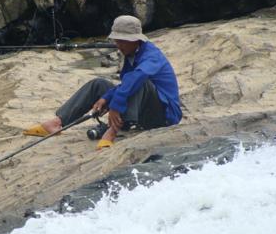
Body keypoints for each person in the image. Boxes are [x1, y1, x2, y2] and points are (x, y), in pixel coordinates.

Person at [23, 15, 182, 150]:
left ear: (135, 40)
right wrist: (105, 98)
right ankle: (58, 122)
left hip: (164, 116)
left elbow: (135, 79)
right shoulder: (131, 53)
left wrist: (115, 107)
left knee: (138, 82)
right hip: (142, 108)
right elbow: (125, 84)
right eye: (117, 41)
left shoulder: (151, 56)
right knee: (98, 84)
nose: (118, 45)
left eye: (123, 41)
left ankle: (113, 130)